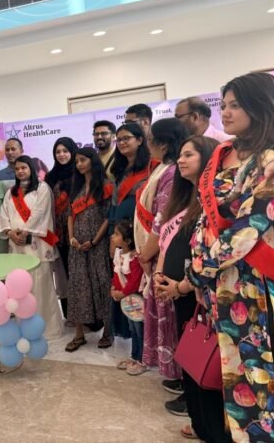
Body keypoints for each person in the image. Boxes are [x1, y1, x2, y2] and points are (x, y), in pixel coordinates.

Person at [190, 72, 274, 442]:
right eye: (224, 105)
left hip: (258, 282)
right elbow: (206, 217)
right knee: (236, 372)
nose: (226, 112)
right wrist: (200, 263)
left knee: (262, 374)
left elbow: (251, 224)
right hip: (225, 280)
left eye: (235, 105)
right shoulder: (224, 153)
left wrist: (202, 267)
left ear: (260, 106)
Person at [153, 136, 229, 442]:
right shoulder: (185, 199)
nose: (181, 160)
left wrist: (182, 286)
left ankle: (212, 429)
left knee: (207, 366)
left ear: (207, 158)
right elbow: (167, 243)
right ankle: (199, 423)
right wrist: (160, 275)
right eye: (180, 155)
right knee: (191, 361)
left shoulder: (215, 199)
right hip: (180, 293)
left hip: (200, 294)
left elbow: (211, 255)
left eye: (189, 155)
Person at [135, 118, 187, 383]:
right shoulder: (162, 169)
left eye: (150, 139)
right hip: (154, 253)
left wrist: (146, 253)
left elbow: (163, 219)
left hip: (163, 255)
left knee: (171, 317)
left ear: (164, 144)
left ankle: (179, 375)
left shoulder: (171, 173)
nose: (148, 144)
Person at [0, 155, 63, 339]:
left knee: (41, 288)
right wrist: (10, 232)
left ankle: (47, 330)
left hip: (38, 245)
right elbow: (4, 214)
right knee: (21, 289)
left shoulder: (42, 188)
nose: (20, 171)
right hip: (17, 246)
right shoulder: (11, 192)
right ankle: (25, 329)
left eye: (24, 168)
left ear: (31, 169)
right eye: (17, 169)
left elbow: (40, 213)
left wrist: (25, 232)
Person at [64, 148, 114, 350]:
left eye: (83, 160)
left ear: (93, 161)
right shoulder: (76, 188)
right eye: (77, 162)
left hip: (98, 246)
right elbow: (70, 215)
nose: (79, 165)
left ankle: (108, 332)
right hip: (76, 248)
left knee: (102, 285)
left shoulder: (106, 186)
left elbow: (108, 217)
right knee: (77, 287)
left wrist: (94, 241)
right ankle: (79, 335)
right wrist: (72, 238)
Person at [108, 123, 152, 340]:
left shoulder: (152, 166)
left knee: (138, 280)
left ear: (140, 139)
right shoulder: (119, 169)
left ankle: (145, 342)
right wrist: (112, 237)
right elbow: (114, 203)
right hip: (122, 232)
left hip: (141, 230)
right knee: (122, 276)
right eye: (119, 139)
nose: (122, 142)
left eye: (127, 138)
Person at [45, 137, 77, 319]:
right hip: (58, 234)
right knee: (64, 274)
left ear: (72, 152)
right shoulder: (50, 177)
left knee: (79, 273)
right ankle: (70, 315)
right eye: (58, 152)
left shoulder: (79, 174)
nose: (61, 154)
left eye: (65, 151)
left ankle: (88, 318)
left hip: (78, 231)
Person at [109, 219, 144, 370]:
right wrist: (113, 288)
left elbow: (135, 281)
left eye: (116, 234)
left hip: (135, 298)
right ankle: (134, 355)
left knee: (139, 328)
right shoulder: (118, 254)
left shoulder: (134, 258)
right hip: (126, 299)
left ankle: (142, 358)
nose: (112, 236)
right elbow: (116, 274)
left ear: (127, 241)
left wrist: (122, 293)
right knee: (132, 327)